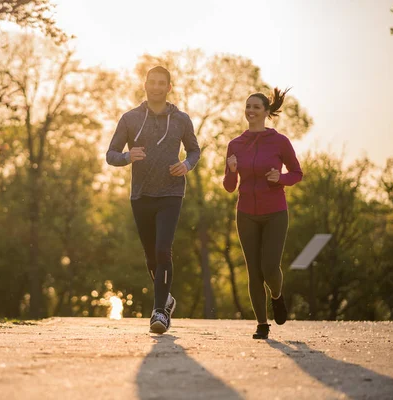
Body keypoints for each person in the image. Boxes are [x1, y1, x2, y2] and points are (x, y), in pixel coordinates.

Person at [106, 66, 200, 334]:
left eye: (162, 83)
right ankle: (167, 299)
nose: (157, 87)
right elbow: (111, 154)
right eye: (153, 82)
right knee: (151, 257)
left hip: (171, 192)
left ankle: (159, 312)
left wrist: (186, 165)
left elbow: (194, 151)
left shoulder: (181, 119)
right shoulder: (130, 119)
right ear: (145, 85)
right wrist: (127, 156)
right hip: (141, 194)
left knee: (162, 250)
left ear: (169, 87)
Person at [223, 88, 303, 339]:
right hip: (246, 212)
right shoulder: (235, 144)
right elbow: (228, 186)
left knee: (269, 267)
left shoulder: (280, 141)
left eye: (256, 107)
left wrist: (280, 178)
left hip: (275, 212)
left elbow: (297, 173)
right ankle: (261, 324)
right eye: (248, 106)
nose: (251, 111)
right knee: (253, 271)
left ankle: (277, 297)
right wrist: (232, 170)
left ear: (267, 112)